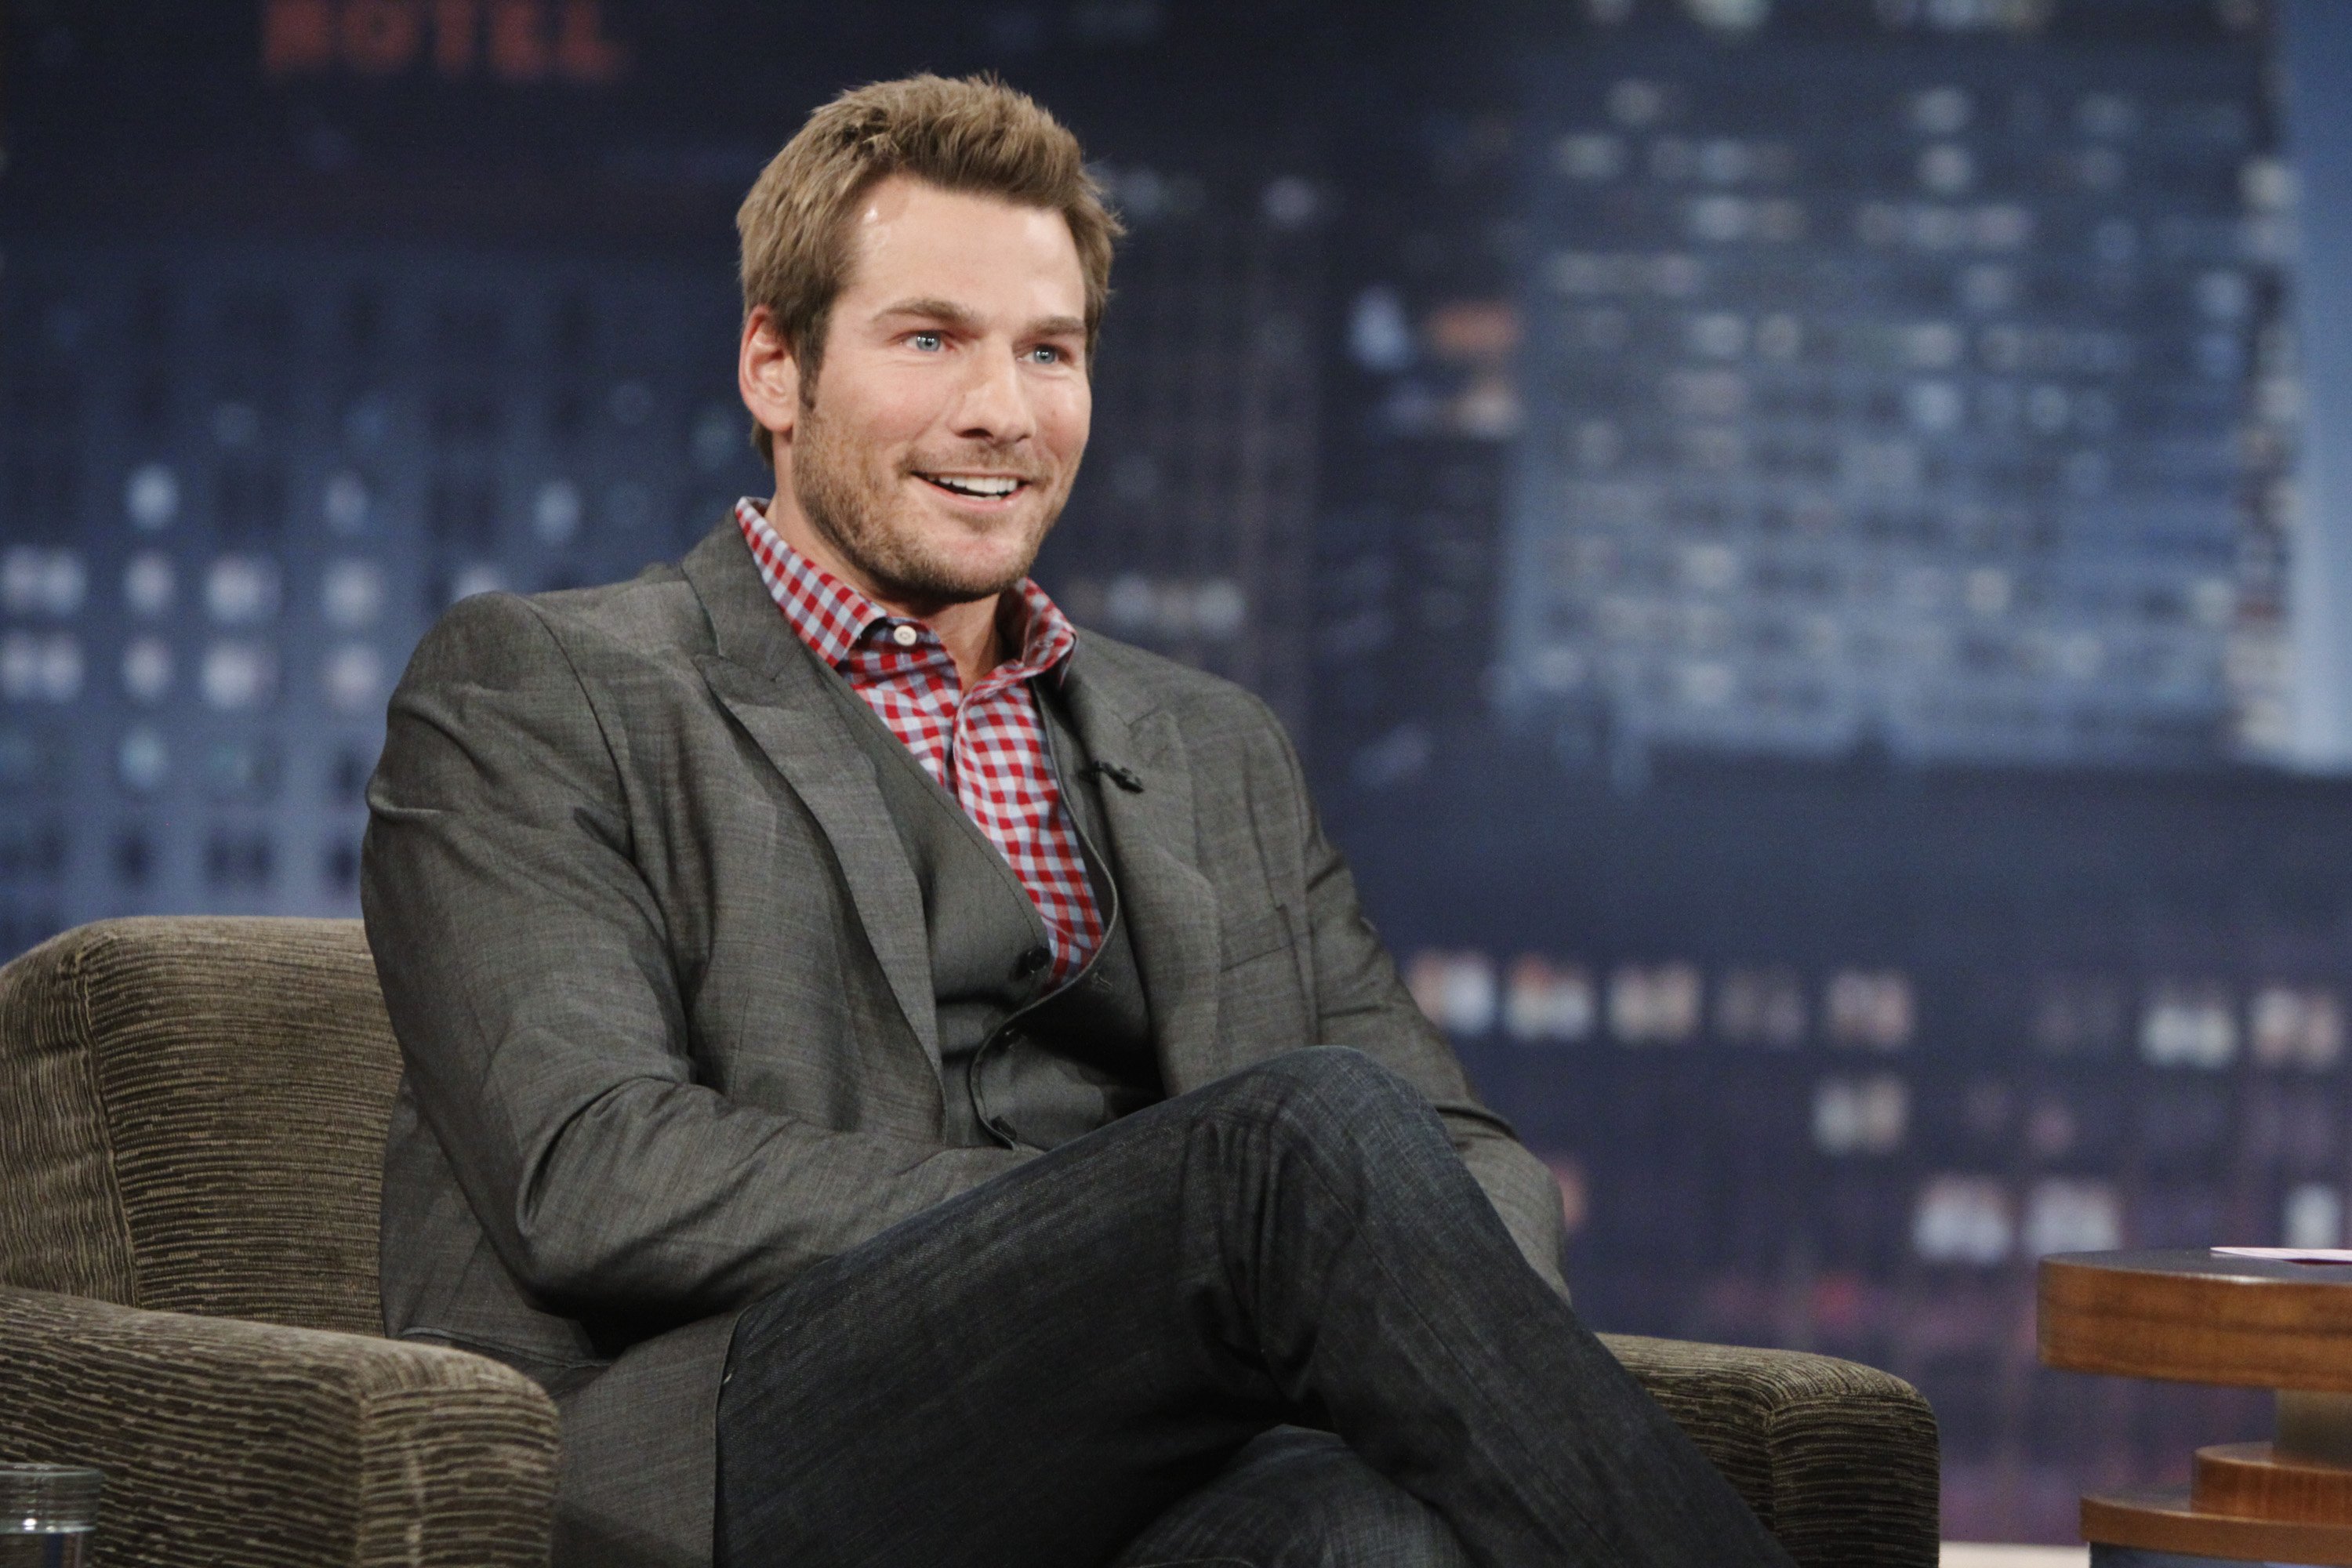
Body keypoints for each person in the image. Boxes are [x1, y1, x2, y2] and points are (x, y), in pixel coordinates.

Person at [361, 72, 1794, 1568]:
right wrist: (1152, 1233)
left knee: (1363, 1534)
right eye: (930, 339)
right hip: (735, 1441)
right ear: (774, 369)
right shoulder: (544, 687)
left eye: (1050, 352)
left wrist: (1307, 1300)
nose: (1002, 412)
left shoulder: (1215, 747)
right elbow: (592, 1170)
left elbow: (1459, 1160)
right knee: (1288, 1151)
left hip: (1144, 1449)